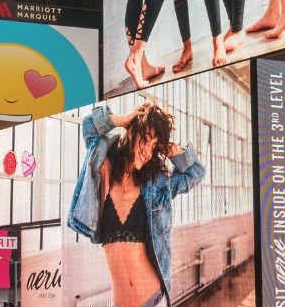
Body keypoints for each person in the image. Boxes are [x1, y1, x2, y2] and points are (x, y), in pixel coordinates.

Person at [68, 103, 205, 307]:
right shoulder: (102, 166)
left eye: (154, 146)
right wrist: (123, 119)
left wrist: (172, 152)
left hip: (154, 299)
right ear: (132, 132)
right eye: (146, 141)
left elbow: (196, 173)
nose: (148, 152)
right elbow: (89, 125)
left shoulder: (158, 184)